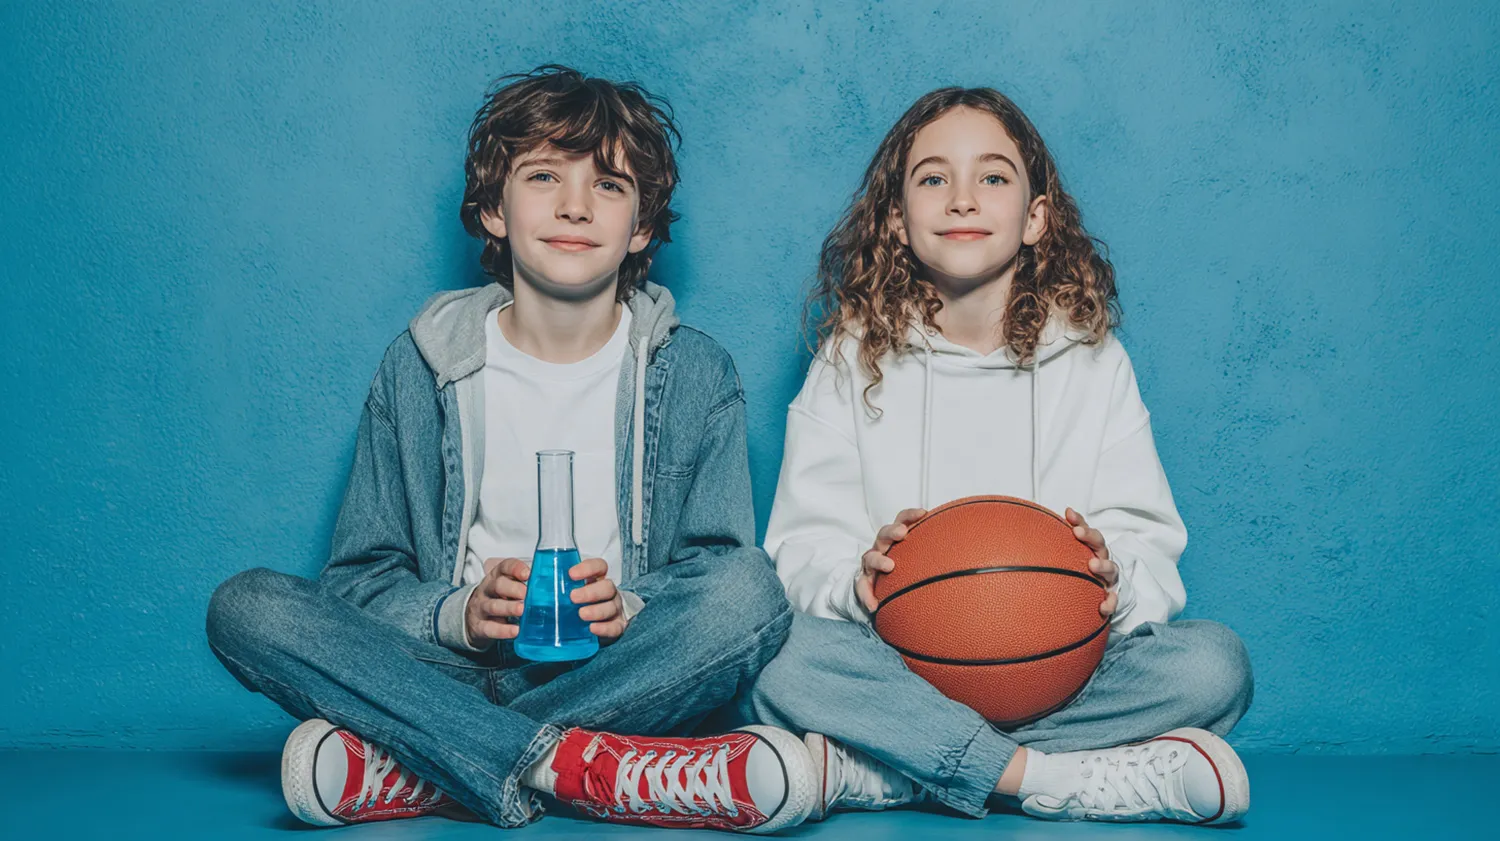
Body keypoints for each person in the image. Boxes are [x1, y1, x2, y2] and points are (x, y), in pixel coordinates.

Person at [205, 65, 817, 833]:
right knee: (247, 607)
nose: (572, 205)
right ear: (494, 209)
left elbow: (717, 576)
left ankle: (425, 762)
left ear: (641, 229)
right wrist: (460, 613)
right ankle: (581, 766)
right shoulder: (419, 365)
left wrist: (628, 607)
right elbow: (358, 584)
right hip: (443, 670)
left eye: (608, 185)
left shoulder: (695, 371)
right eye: (542, 176)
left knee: (751, 595)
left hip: (614, 667)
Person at [726, 86, 1254, 826]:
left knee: (1214, 664)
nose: (964, 198)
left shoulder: (1092, 359)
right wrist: (856, 579)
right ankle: (1045, 775)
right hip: (896, 666)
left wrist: (1116, 575)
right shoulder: (852, 356)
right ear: (896, 221)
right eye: (934, 178)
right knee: (772, 660)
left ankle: (897, 765)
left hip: (1061, 671)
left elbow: (1149, 540)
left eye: (995, 177)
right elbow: (798, 546)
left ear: (1037, 216)